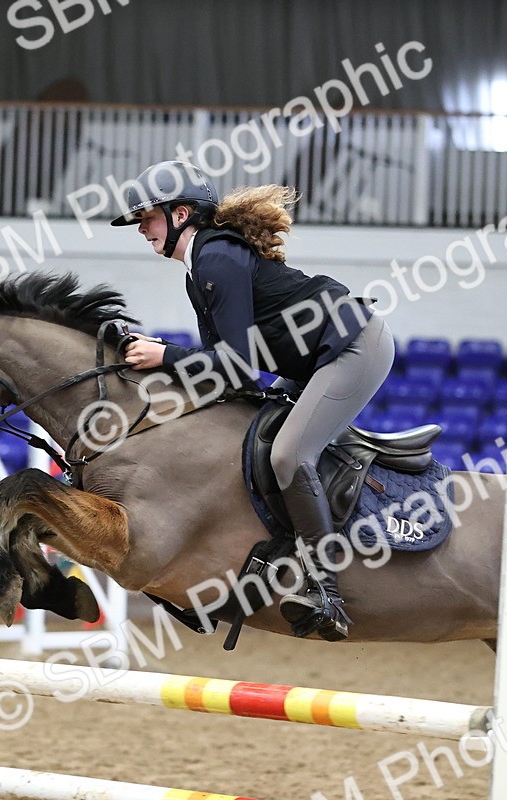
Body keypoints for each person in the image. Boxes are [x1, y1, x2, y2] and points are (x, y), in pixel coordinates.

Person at [111, 161, 394, 641]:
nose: (141, 228)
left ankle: (325, 588)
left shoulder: (216, 259)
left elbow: (236, 366)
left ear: (181, 213)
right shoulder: (199, 270)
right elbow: (226, 378)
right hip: (316, 359)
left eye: (147, 217)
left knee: (288, 454)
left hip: (352, 346)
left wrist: (164, 355)